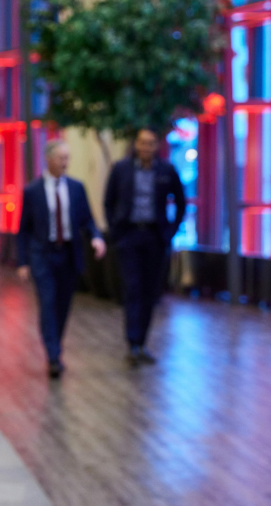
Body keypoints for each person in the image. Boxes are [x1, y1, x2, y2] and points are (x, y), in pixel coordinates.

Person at [17, 139, 106, 378]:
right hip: (42, 256)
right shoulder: (32, 191)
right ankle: (53, 356)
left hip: (67, 254)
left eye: (67, 158)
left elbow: (87, 219)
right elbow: (23, 229)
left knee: (62, 306)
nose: (65, 163)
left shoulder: (76, 188)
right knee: (47, 304)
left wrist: (96, 238)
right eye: (61, 158)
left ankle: (56, 345)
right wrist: (23, 262)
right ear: (48, 159)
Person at [104, 127, 186, 366]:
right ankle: (132, 342)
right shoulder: (121, 169)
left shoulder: (166, 170)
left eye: (150, 143)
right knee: (132, 289)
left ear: (157, 145)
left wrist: (169, 232)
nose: (145, 147)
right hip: (129, 236)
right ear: (136, 145)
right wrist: (116, 231)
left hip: (154, 237)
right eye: (142, 143)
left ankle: (142, 342)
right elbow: (108, 201)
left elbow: (181, 202)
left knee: (150, 291)